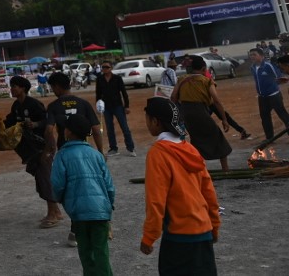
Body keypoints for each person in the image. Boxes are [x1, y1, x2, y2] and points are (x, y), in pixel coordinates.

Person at [139, 97, 220, 275]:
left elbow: (156, 200)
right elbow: (209, 192)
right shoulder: (190, 150)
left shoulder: (158, 153)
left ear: (155, 122)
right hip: (203, 231)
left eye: (147, 119)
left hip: (179, 236)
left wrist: (149, 236)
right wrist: (214, 224)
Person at [45, 71, 105, 248]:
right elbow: (96, 129)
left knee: (71, 189)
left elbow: (48, 130)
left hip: (65, 151)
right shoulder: (83, 103)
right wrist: (101, 151)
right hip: (84, 149)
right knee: (90, 185)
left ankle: (75, 229)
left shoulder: (54, 106)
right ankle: (97, 224)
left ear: (57, 86)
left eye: (52, 87)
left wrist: (51, 148)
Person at [51, 113, 115, 276]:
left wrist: (62, 200)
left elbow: (57, 185)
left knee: (86, 253)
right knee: (101, 252)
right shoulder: (97, 155)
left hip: (78, 212)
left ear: (69, 132)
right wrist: (109, 207)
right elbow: (109, 186)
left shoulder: (62, 155)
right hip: (100, 211)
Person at [4, 75, 63, 228]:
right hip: (30, 147)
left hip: (43, 145)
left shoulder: (34, 104)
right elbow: (9, 122)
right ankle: (56, 211)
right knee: (40, 178)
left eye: (14, 86)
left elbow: (48, 121)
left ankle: (52, 214)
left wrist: (35, 124)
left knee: (45, 178)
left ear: (23, 88)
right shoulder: (16, 105)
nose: (12, 89)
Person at [172, 55, 232, 172]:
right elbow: (216, 101)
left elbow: (173, 97)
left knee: (196, 139)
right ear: (204, 69)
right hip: (200, 112)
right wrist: (224, 119)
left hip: (186, 114)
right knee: (218, 137)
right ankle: (225, 169)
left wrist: (181, 111)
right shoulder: (206, 81)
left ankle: (199, 170)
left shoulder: (182, 79)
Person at [95, 61, 136, 156]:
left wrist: (127, 106)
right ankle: (113, 148)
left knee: (125, 128)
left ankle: (130, 148)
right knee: (110, 129)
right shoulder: (99, 79)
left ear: (111, 68)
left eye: (107, 67)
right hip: (106, 107)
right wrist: (98, 106)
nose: (104, 69)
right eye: (103, 67)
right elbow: (98, 94)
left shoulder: (117, 78)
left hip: (118, 106)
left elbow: (124, 92)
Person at [248, 47, 289, 141]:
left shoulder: (268, 66)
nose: (252, 57)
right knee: (265, 117)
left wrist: (276, 83)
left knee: (283, 115)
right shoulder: (252, 67)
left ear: (262, 56)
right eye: (251, 55)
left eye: (254, 54)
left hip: (274, 95)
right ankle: (269, 138)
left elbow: (279, 77)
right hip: (262, 97)